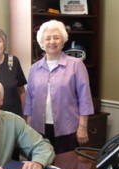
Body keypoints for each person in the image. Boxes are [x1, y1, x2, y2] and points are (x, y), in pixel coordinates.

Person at [24, 20, 94, 154]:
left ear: (63, 41)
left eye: (56, 37)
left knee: (66, 167)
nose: (52, 42)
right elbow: (29, 100)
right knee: (40, 166)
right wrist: (28, 126)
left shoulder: (76, 65)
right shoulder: (34, 68)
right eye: (48, 38)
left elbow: (84, 98)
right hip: (39, 128)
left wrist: (83, 126)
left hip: (67, 128)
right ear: (42, 43)